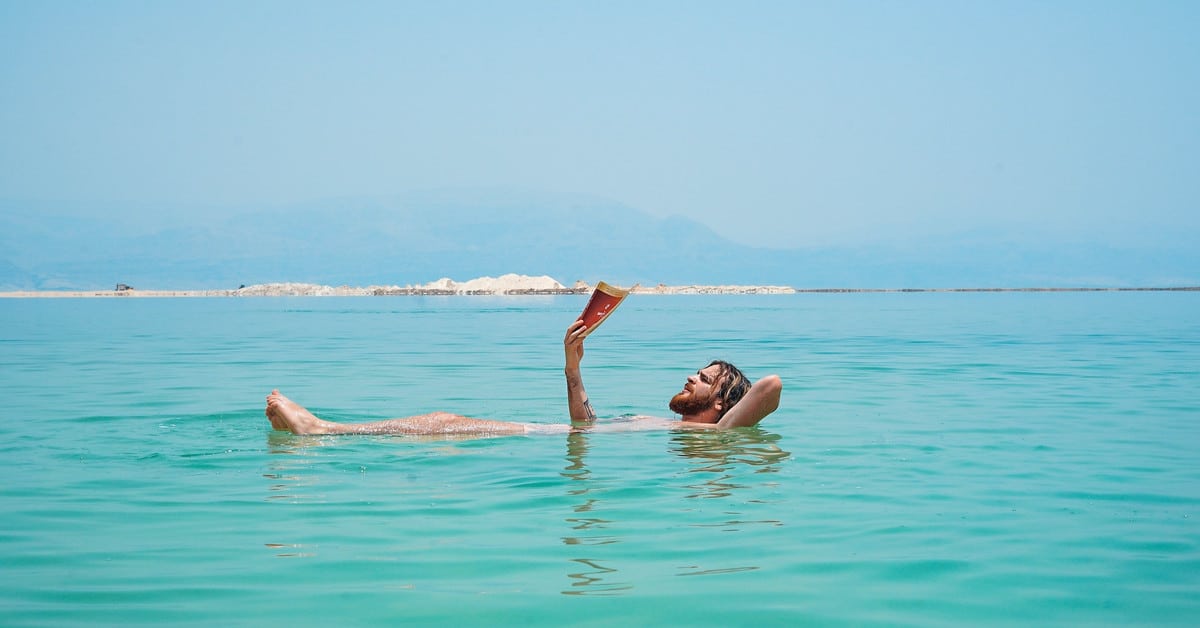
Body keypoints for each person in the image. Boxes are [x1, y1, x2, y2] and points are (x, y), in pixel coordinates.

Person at [265, 319, 782, 436]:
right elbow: (587, 425)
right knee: (445, 422)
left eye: (704, 378)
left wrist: (727, 418)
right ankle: (325, 430)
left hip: (540, 441)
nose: (690, 377)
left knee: (445, 423)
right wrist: (572, 365)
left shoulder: (716, 436)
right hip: (561, 437)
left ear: (723, 401)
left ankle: (323, 431)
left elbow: (771, 386)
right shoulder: (684, 433)